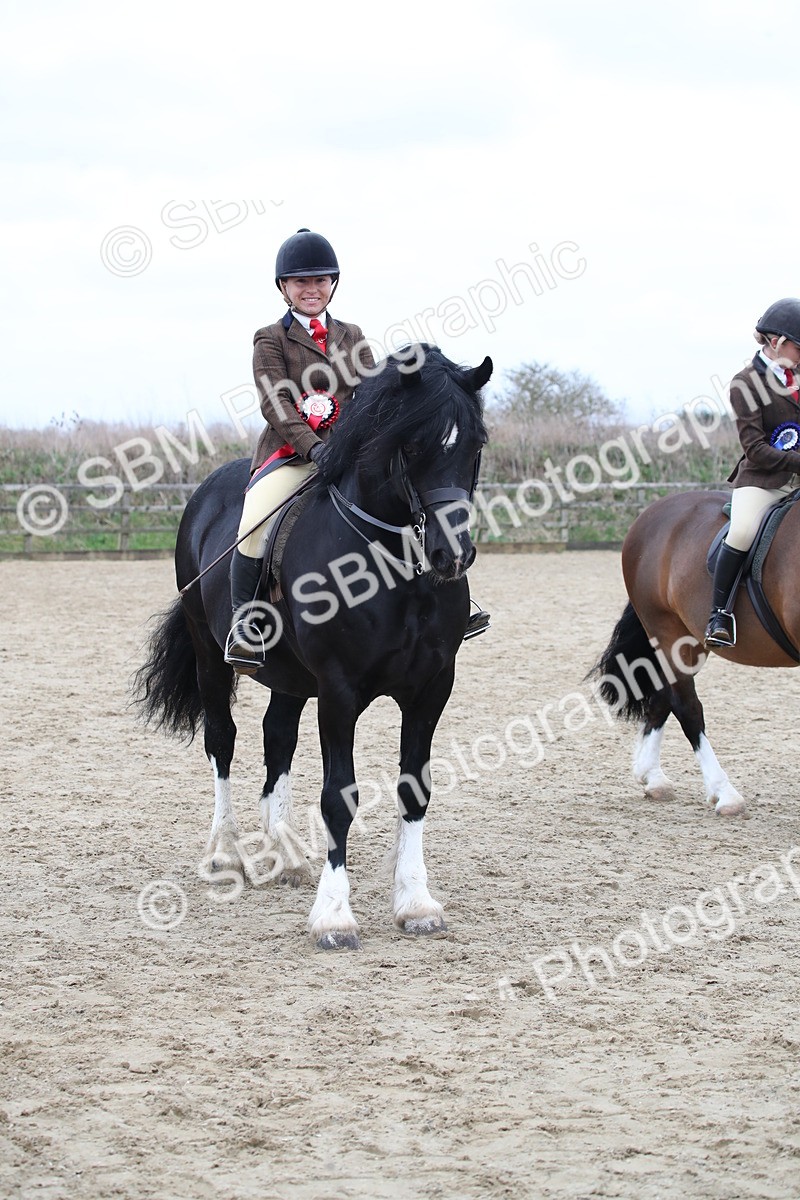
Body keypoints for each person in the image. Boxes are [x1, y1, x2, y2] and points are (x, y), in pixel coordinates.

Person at [224, 228, 375, 673]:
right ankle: (245, 625)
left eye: (320, 281)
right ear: (284, 288)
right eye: (301, 282)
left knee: (407, 497)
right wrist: (314, 449)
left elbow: (371, 393)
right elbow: (276, 403)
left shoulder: (352, 335)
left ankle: (448, 602)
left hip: (350, 452)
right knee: (254, 523)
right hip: (291, 454)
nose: (312, 289)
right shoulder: (270, 338)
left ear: (333, 284)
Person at [704, 297, 800, 647]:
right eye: (799, 348)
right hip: (764, 480)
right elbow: (755, 448)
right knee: (743, 530)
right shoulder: (744, 383)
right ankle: (719, 614)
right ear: (776, 342)